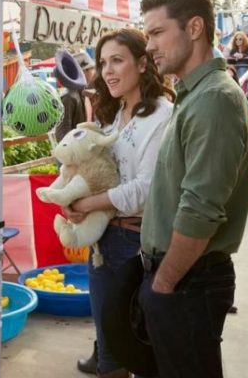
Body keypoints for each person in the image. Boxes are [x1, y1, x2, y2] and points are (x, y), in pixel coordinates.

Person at [139, 0, 248, 377]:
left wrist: (163, 284)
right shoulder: (195, 93)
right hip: (182, 278)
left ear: (194, 28)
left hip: (188, 281)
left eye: (157, 33)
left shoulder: (214, 99)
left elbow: (200, 210)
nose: (149, 46)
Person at [67, 28, 173, 377]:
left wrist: (86, 204)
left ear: (142, 64)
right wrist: (72, 196)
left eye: (117, 61)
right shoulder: (111, 115)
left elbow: (146, 188)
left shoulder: (162, 116)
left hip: (139, 243)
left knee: (141, 348)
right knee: (109, 349)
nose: (107, 71)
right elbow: (99, 170)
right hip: (103, 242)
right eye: (102, 63)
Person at [55, 50, 90, 142]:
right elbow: (62, 133)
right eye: (91, 69)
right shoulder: (68, 97)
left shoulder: (81, 93)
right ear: (84, 72)